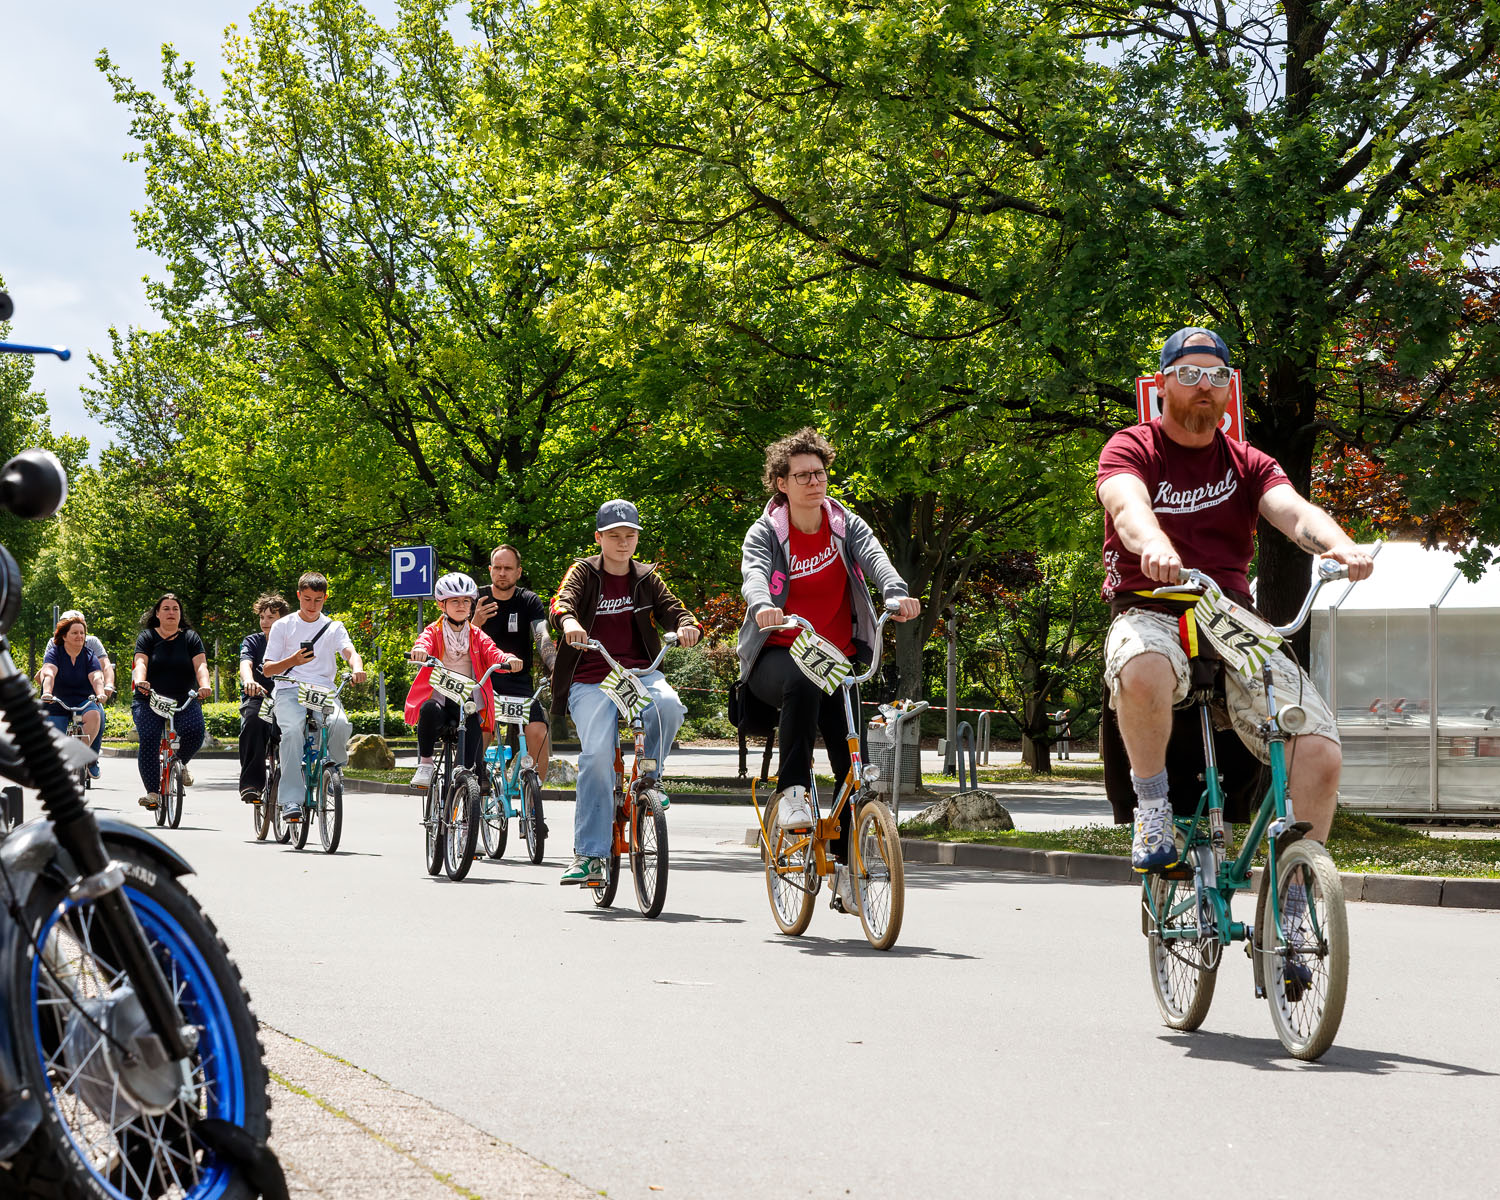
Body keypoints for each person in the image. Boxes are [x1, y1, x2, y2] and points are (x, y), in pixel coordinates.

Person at [1097, 327, 1374, 873]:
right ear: (1163, 386)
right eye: (1190, 375)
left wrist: (1340, 545)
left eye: (1217, 376)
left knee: (1318, 750)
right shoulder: (1131, 447)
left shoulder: (1249, 461)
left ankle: (1297, 892)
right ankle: (1153, 809)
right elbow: (1127, 505)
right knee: (1143, 666)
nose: (1205, 386)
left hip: (1228, 618)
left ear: (1229, 389)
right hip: (1150, 606)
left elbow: (1293, 511)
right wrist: (1154, 544)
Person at [737, 428, 920, 914]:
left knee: (851, 767)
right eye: (801, 476)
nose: (814, 483)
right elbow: (754, 573)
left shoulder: (845, 524)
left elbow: (877, 559)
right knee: (801, 676)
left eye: (819, 473)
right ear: (781, 482)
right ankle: (793, 790)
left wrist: (895, 593)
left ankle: (846, 872)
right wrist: (761, 603)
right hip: (776, 656)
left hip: (835, 659)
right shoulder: (767, 532)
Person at [549, 500, 701, 886]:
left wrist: (686, 625)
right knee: (597, 757)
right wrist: (568, 621)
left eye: (630, 535)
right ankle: (590, 854)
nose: (623, 542)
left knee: (668, 706)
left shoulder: (646, 576)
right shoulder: (584, 571)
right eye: (614, 536)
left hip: (637, 673)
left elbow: (673, 609)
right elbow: (562, 601)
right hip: (592, 676)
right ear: (599, 538)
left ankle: (651, 778)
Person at [261, 572, 366, 825]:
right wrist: (294, 661)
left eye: (318, 600)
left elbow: (350, 651)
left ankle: (333, 770)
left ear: (325, 598)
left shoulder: (333, 626)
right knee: (293, 732)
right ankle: (291, 800)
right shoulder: (282, 625)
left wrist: (357, 667)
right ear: (298, 595)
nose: (311, 605)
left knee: (340, 724)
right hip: (289, 688)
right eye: (307, 599)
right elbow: (267, 669)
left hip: (322, 690)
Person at [405, 572, 521, 788]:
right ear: (442, 605)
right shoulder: (434, 630)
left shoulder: (477, 635)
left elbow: (492, 651)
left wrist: (507, 659)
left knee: (472, 768)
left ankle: (467, 804)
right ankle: (426, 763)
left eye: (466, 601)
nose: (461, 605)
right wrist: (420, 650)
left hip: (466, 705)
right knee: (428, 709)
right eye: (455, 601)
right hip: (441, 701)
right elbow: (424, 640)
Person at [474, 543, 556, 784]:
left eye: (508, 568)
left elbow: (542, 635)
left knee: (538, 731)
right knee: (482, 730)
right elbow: (458, 642)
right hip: (483, 680)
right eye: (497, 568)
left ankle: (534, 804)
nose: (502, 573)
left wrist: (554, 666)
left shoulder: (528, 600)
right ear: (490, 570)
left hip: (518, 683)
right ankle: (472, 786)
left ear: (518, 572)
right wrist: (475, 621)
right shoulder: (475, 598)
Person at [130, 594, 212, 810]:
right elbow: (140, 662)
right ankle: (152, 793)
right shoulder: (147, 637)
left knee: (195, 731)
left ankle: (179, 763)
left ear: (180, 614)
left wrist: (205, 685)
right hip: (150, 698)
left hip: (183, 698)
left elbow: (201, 666)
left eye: (175, 609)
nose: (171, 612)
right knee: (149, 738)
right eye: (166, 608)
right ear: (157, 613)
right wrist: (140, 681)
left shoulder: (191, 638)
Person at [237, 592, 290, 803]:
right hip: (260, 696)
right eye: (262, 617)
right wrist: (249, 681)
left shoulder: (292, 642)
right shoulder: (252, 641)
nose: (265, 622)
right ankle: (251, 784)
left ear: (283, 620)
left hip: (287, 696)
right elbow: (245, 664)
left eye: (271, 617)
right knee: (253, 723)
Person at [37, 615, 109, 760]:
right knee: (54, 746)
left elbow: (96, 677)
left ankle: (81, 755)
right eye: (75, 633)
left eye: (82, 633)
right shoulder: (54, 653)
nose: (80, 636)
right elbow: (49, 673)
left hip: (83, 701)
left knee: (95, 715)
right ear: (64, 636)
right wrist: (47, 693)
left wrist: (100, 693)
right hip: (57, 701)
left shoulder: (89, 655)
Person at [59, 608, 116, 772]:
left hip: (89, 694)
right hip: (64, 693)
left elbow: (106, 665)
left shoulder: (92, 642)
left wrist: (109, 685)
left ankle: (91, 758)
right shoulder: (54, 643)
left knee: (99, 716)